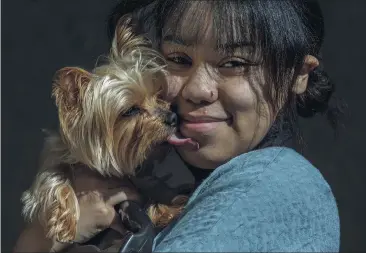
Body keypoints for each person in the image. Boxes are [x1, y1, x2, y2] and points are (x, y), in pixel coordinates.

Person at [14, 0, 341, 252]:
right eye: (179, 59)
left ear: (299, 74)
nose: (198, 89)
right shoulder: (188, 189)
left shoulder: (270, 186)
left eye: (234, 64)